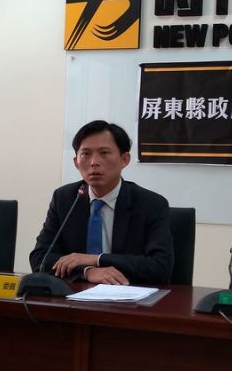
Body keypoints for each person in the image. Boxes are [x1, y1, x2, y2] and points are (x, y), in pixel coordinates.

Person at [29, 120, 173, 285]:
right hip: (75, 294)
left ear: (124, 159)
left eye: (104, 153)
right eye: (86, 154)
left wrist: (96, 259)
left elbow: (161, 267)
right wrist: (87, 272)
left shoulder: (151, 204)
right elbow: (40, 258)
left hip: (128, 294)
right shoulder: (65, 198)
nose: (94, 162)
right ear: (76, 162)